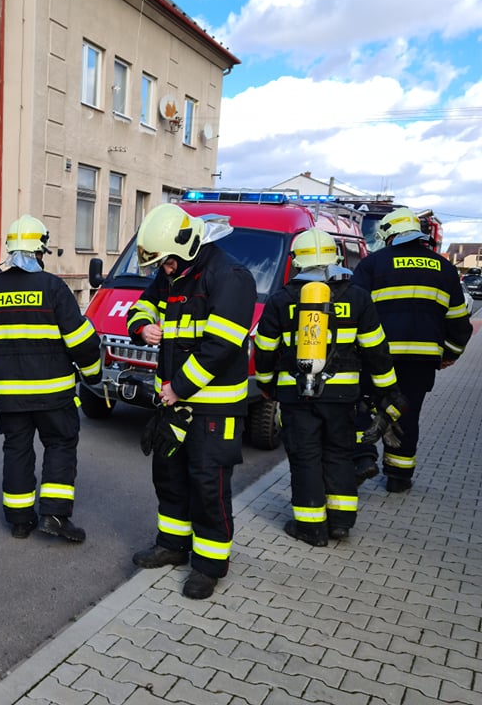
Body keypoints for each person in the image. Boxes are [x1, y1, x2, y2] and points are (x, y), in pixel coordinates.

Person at [126, 203, 256, 600]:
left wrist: (179, 388)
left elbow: (220, 347)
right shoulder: (173, 271)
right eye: (160, 264)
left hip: (213, 407)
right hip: (174, 403)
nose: (163, 270)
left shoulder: (230, 277)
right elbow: (143, 304)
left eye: (166, 262)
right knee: (169, 477)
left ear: (186, 248)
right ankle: (172, 545)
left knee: (208, 485)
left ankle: (209, 566)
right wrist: (140, 326)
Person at [253, 228, 404, 546]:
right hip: (343, 395)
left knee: (305, 457)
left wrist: (267, 385)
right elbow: (376, 350)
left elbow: (264, 350)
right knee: (339, 454)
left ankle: (311, 528)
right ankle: (341, 523)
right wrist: (387, 391)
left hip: (296, 393)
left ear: (297, 261)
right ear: (336, 258)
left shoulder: (281, 300)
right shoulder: (358, 297)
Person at [0, 215, 102, 542]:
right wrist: (92, 374)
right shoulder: (53, 288)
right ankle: (54, 515)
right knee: (60, 444)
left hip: (9, 395)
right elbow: (81, 341)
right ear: (40, 251)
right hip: (54, 394)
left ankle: (20, 521)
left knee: (17, 449)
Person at [352, 207, 473, 492]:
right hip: (421, 362)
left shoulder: (373, 264)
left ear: (389, 234)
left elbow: (354, 310)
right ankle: (398, 478)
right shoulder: (445, 269)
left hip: (377, 357)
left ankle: (362, 459)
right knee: (408, 414)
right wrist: (450, 354)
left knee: (361, 406)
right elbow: (459, 322)